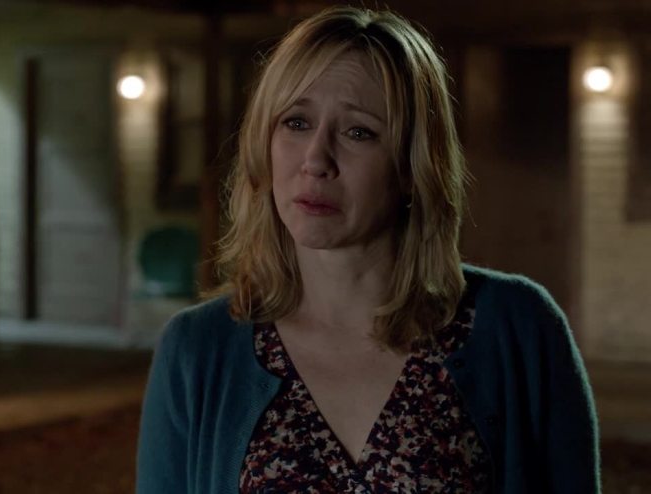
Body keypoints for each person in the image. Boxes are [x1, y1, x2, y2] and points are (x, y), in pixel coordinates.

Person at [136, 6, 600, 493]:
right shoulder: (197, 349)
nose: (316, 159)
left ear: (412, 165)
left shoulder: (516, 327)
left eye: (358, 132)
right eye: (296, 122)